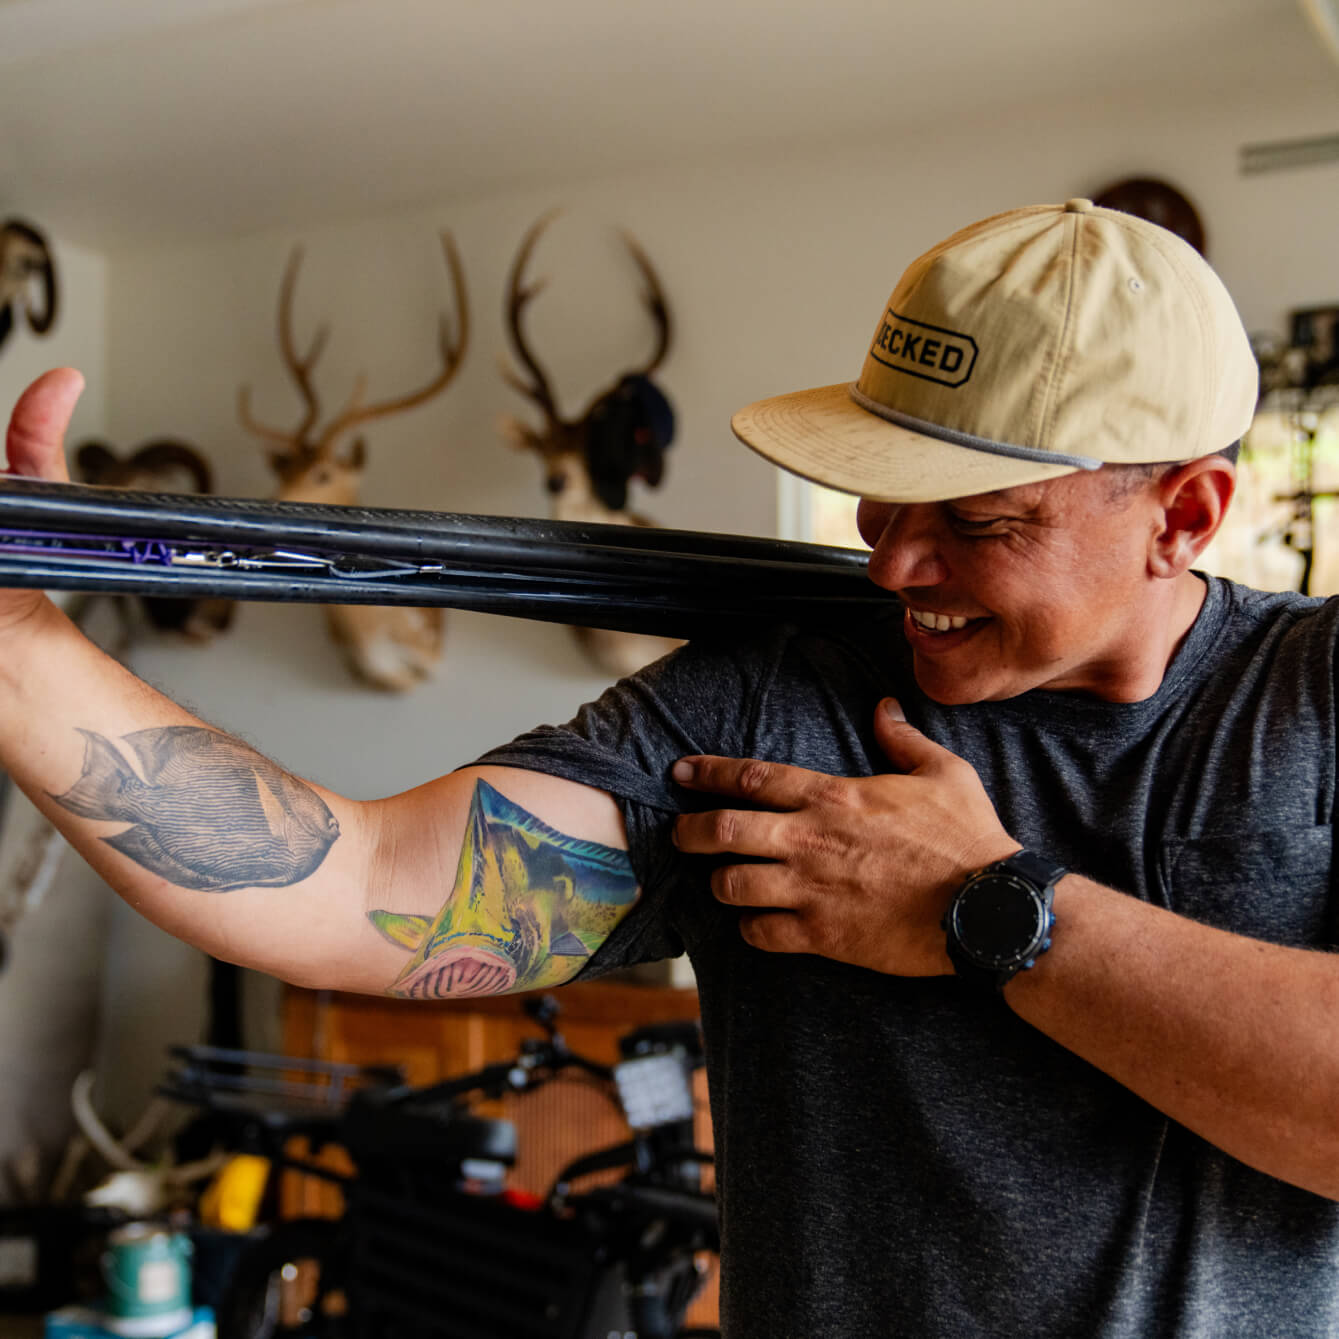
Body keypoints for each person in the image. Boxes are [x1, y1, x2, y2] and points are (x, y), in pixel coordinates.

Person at [3, 197, 1338, 1337]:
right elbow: (361, 889)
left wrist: (983, 908)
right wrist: (18, 651)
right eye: (882, 495)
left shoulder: (1312, 701)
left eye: (980, 522)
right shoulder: (777, 699)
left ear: (1187, 513)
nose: (892, 565)